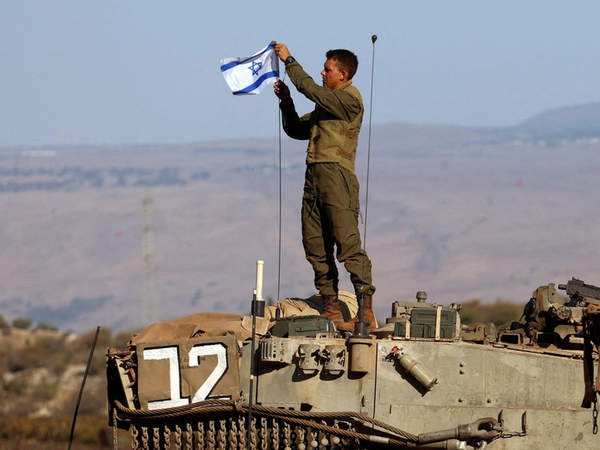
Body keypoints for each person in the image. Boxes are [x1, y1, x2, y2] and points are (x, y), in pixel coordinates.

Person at [273, 43, 376, 332]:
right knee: (315, 245)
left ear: (342, 75)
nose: (322, 72)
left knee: (348, 245)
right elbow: (296, 129)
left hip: (337, 178)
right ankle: (331, 308)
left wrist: (289, 61)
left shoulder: (349, 100)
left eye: (327, 69)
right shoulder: (325, 107)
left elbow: (311, 90)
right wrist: (286, 103)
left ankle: (365, 311)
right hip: (314, 178)